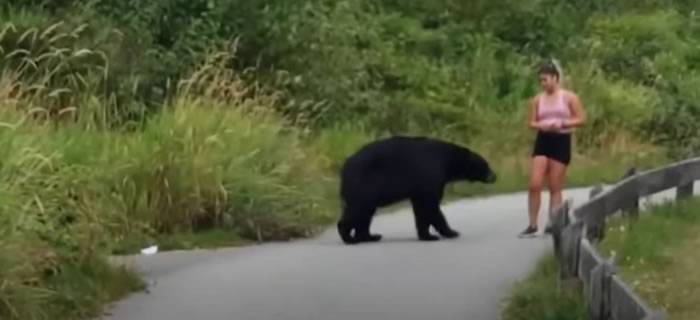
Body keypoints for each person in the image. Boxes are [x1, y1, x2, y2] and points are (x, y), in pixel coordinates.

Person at [519, 60, 586, 238]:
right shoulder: (537, 100)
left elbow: (581, 119)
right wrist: (542, 125)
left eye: (546, 80)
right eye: (541, 81)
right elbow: (531, 122)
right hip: (544, 139)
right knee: (535, 183)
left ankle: (553, 222)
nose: (543, 84)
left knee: (555, 185)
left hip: (561, 138)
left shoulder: (569, 97)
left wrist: (563, 123)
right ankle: (532, 224)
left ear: (556, 79)